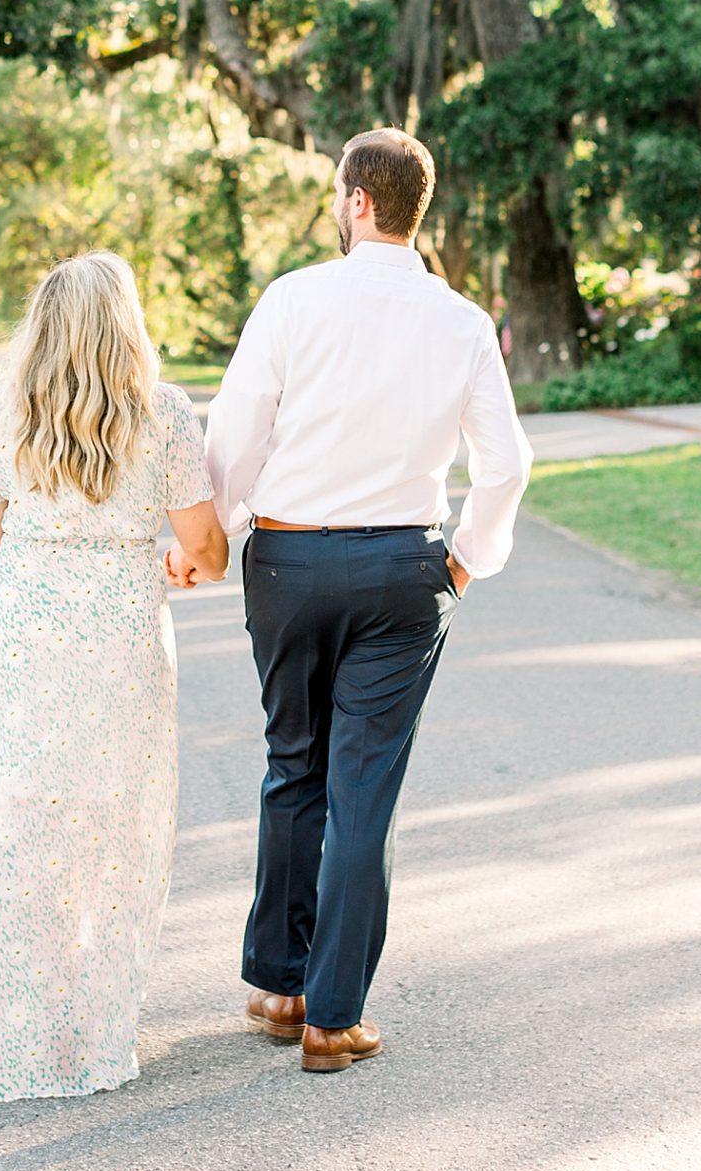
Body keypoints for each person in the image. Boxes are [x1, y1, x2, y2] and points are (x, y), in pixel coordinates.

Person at [0, 251, 227, 1101]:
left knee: (8, 807)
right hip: (122, 636)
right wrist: (173, 560)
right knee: (109, 825)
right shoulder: (162, 414)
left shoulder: (2, 407)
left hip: (20, 627)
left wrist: (6, 629)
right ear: (124, 324)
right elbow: (205, 550)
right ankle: (81, 1024)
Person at [205, 127, 530, 1074]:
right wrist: (464, 562)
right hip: (403, 572)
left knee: (290, 764)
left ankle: (277, 985)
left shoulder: (292, 298)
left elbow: (235, 430)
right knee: (363, 794)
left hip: (289, 563)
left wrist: (219, 537)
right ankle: (332, 1019)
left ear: (356, 201)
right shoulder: (462, 320)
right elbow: (506, 463)